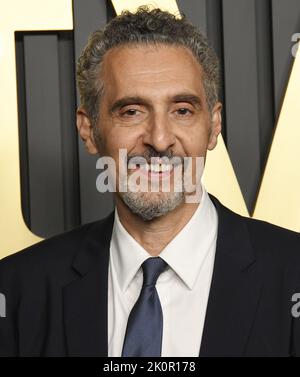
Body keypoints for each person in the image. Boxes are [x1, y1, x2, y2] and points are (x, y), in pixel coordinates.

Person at [1, 6, 300, 357]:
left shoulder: (292, 275)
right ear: (89, 129)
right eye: (131, 111)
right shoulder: (18, 290)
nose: (159, 140)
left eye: (182, 110)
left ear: (214, 125)